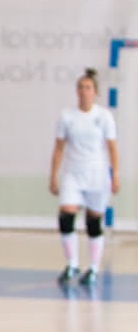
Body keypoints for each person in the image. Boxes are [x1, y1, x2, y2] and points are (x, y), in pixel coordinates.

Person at [50, 68, 118, 286]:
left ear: (95, 92)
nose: (83, 91)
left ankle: (94, 268)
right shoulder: (67, 117)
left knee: (93, 221)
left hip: (97, 174)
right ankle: (72, 263)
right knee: (66, 215)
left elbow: (112, 148)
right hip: (73, 173)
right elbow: (59, 148)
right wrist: (53, 175)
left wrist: (115, 175)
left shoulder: (103, 116)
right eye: (80, 87)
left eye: (87, 87)